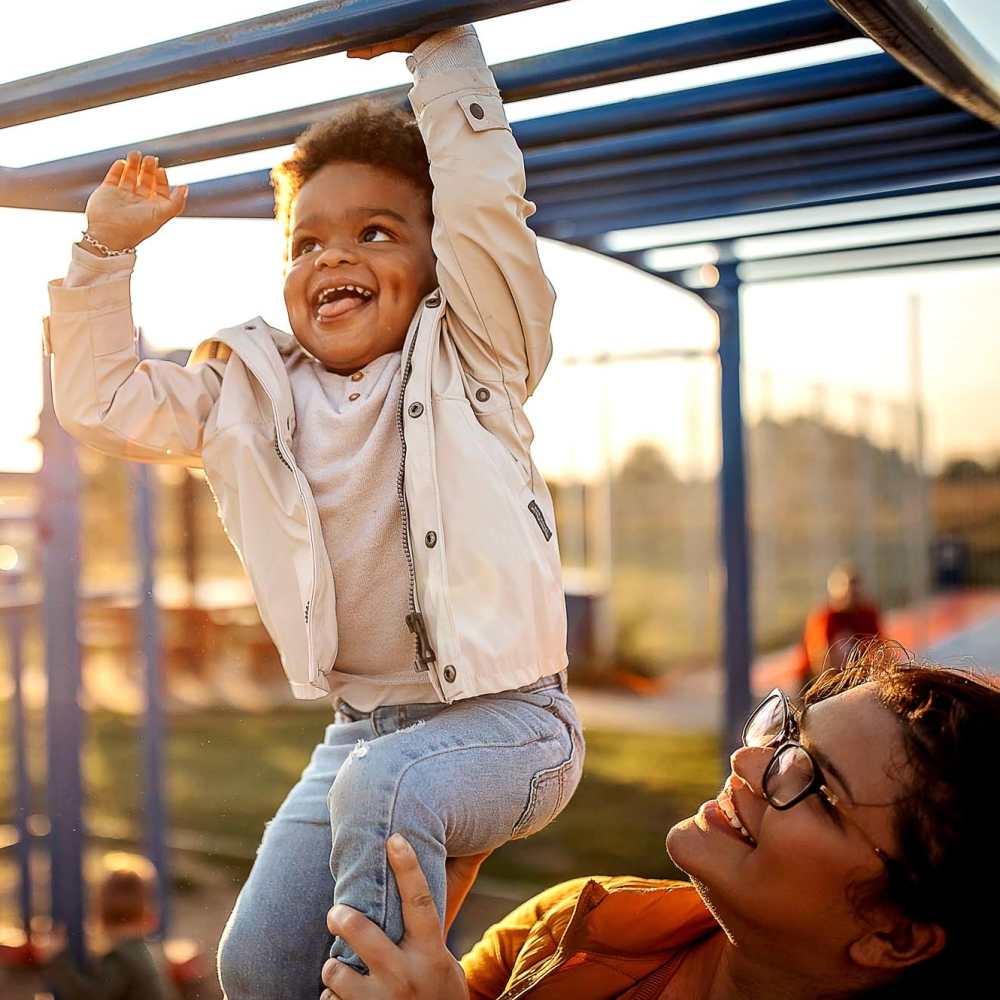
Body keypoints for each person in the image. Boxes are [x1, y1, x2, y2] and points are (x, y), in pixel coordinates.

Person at [45, 21, 582, 997]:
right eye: (307, 241)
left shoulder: (473, 355)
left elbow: (483, 207)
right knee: (253, 964)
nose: (335, 255)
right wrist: (100, 253)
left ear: (434, 260)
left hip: (512, 723)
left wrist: (440, 51)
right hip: (363, 727)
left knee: (383, 802)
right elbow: (103, 403)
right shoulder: (249, 391)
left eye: (377, 231)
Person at [319, 645, 999, 999]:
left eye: (813, 784)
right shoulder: (576, 924)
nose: (748, 760)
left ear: (897, 936)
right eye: (785, 731)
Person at [42, 855, 180, 1000]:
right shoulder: (143, 951)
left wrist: (56, 959)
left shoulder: (121, 958)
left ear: (101, 910)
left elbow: (91, 996)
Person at [794, 561, 883, 683]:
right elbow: (820, 659)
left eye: (855, 589)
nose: (852, 594)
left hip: (853, 675)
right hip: (817, 679)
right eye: (847, 588)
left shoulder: (867, 614)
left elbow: (880, 649)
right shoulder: (825, 617)